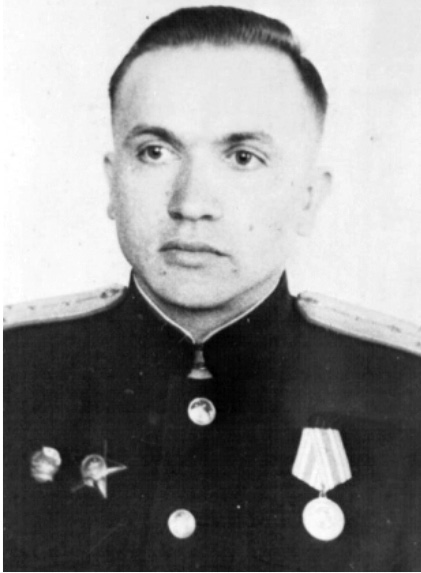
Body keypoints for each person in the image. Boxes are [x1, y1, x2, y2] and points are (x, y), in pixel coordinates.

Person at [3, 6, 421, 572]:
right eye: (155, 151)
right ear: (112, 183)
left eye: (243, 157)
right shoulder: (15, 372)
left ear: (308, 197)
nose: (191, 202)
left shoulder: (405, 392)